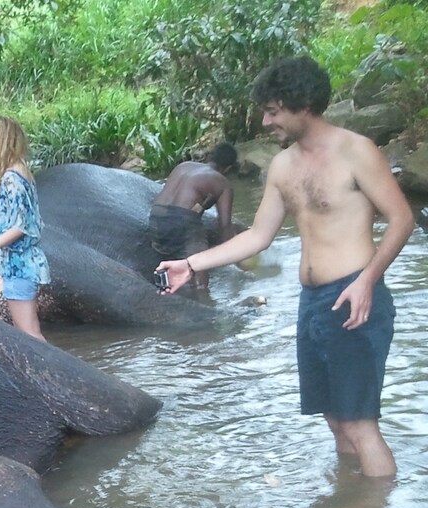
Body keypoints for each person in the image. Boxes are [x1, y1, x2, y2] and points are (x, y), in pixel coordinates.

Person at [158, 56, 414, 478]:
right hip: (312, 303)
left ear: (304, 105)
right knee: (334, 418)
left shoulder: (356, 151)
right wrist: (190, 263)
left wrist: (369, 281)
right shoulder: (282, 166)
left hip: (354, 296)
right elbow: (257, 237)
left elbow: (402, 218)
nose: (264, 122)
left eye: (273, 111)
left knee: (359, 423)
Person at [0, 116, 51, 341]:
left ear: (2, 142)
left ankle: (59, 375)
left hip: (20, 265)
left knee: (30, 334)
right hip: (24, 263)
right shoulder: (21, 171)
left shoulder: (10, 180)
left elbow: (20, 227)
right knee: (25, 330)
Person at [148, 142, 238, 289]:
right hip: (183, 220)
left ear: (210, 156)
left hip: (156, 217)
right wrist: (237, 255)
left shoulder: (183, 166)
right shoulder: (222, 183)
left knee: (171, 267)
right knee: (199, 270)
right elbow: (225, 225)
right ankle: (203, 302)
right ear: (228, 168)